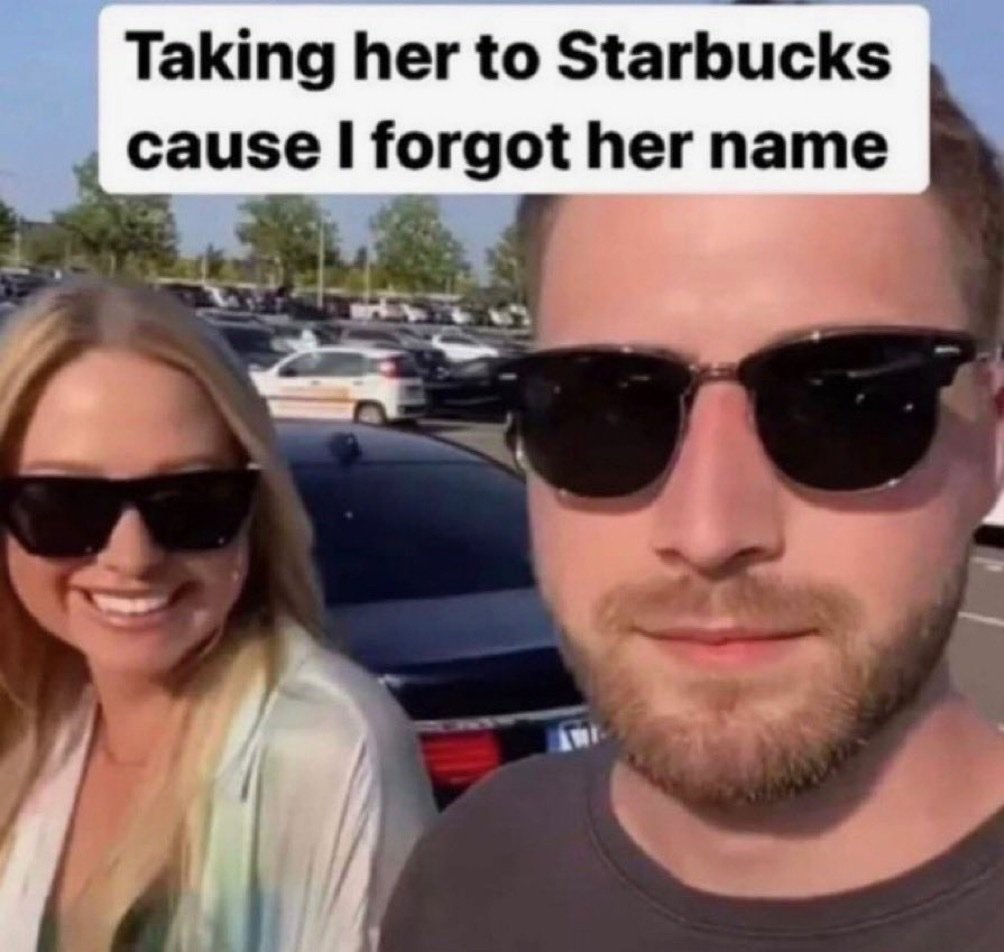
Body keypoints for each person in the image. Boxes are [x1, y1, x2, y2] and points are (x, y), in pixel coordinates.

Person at [379, 64, 1004, 952]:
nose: (709, 532)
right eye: (603, 407)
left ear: (991, 444)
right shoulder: (470, 867)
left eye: (844, 406)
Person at [0, 280, 435, 951]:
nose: (133, 557)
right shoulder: (43, 715)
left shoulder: (320, 747)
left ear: (256, 509)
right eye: (63, 505)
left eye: (191, 502)